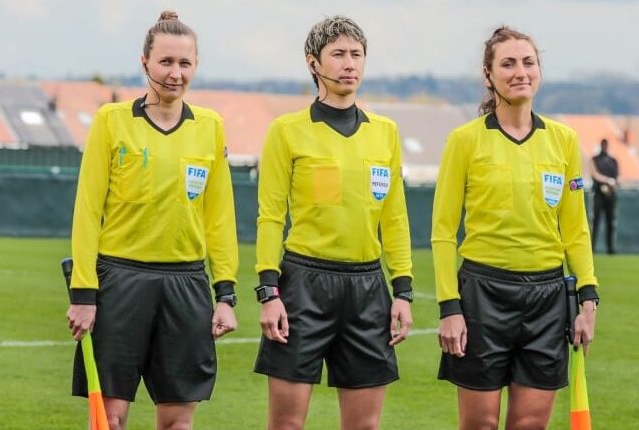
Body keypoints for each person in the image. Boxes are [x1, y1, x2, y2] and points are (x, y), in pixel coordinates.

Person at [65, 11, 238, 430]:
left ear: (196, 65)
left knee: (178, 423)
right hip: (119, 281)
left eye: (184, 63)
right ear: (144, 63)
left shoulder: (210, 126)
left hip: (186, 285)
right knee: (110, 420)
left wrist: (225, 293)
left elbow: (219, 216)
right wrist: (84, 293)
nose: (175, 73)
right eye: (165, 62)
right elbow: (87, 210)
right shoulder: (111, 121)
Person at [431, 26, 600, 430]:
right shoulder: (465, 140)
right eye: (507, 64)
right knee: (481, 424)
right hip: (482, 296)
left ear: (539, 69)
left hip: (547, 299)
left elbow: (575, 229)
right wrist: (450, 307)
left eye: (528, 62)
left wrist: (588, 299)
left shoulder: (564, 140)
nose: (520, 72)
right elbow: (442, 231)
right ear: (488, 75)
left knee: (529, 425)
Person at [253, 15, 414, 430]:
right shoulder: (287, 131)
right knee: (287, 425)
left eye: (357, 54)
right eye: (338, 54)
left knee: (365, 426)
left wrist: (403, 291)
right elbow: (270, 216)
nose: (349, 64)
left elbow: (395, 218)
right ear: (313, 62)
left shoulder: (385, 132)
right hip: (303, 286)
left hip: (367, 289)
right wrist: (269, 292)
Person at [591, 138, 619, 254]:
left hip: (610, 195)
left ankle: (610, 248)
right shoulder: (595, 159)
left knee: (610, 222)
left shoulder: (613, 161)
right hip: (598, 194)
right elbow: (594, 174)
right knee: (596, 221)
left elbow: (616, 178)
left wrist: (612, 185)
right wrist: (607, 180)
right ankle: (592, 247)